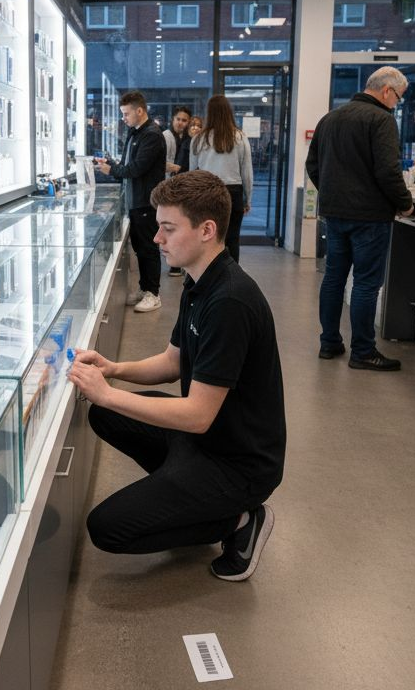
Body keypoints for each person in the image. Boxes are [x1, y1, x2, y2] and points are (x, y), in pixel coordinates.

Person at [67, 170, 285, 582]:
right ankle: (191, 497)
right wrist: (113, 370)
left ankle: (237, 519)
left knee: (108, 528)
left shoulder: (230, 302)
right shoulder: (199, 281)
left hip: (238, 463)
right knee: (104, 414)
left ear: (207, 230)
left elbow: (198, 415)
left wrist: (107, 393)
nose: (156, 238)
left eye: (167, 228)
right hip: (209, 438)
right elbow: (173, 362)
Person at [305, 66, 414, 371]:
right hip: (370, 216)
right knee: (366, 283)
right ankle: (363, 351)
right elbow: (388, 171)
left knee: (334, 278)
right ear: (387, 91)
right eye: (399, 97)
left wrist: (331, 191)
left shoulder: (329, 119)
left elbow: (312, 164)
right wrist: (404, 204)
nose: (397, 103)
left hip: (334, 213)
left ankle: (329, 343)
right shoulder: (381, 120)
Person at [97, 91, 166, 312]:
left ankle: (153, 294)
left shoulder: (152, 135)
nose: (124, 118)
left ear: (139, 111)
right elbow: (128, 164)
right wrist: (112, 164)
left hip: (146, 202)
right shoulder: (134, 133)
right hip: (135, 202)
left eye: (126, 114)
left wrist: (112, 170)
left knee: (148, 248)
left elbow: (136, 168)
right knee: (140, 247)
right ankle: (145, 289)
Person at [190, 95, 253, 262]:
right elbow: (247, 172)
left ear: (208, 113)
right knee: (232, 239)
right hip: (233, 192)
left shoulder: (198, 139)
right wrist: (247, 199)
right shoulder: (240, 137)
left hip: (206, 193)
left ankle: (207, 278)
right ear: (229, 112)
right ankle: (231, 281)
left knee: (208, 239)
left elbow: (192, 173)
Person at [163, 106, 193, 276]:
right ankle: (174, 264)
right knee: (172, 226)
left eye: (184, 120)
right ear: (172, 120)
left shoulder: (188, 138)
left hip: (185, 187)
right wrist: (171, 167)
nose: (181, 123)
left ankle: (182, 261)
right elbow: (158, 161)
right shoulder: (166, 136)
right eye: (178, 119)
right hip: (171, 187)